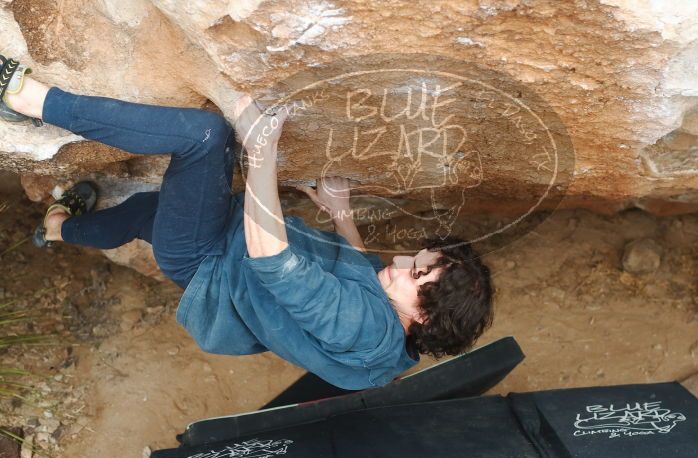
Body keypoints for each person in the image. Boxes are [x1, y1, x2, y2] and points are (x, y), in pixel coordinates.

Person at [0, 55, 495, 389]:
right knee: (141, 212)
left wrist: (261, 152)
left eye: (417, 272)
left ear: (425, 315)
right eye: (419, 258)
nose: (403, 260)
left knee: (205, 137)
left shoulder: (364, 329)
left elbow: (272, 260)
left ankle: (28, 100)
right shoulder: (394, 344)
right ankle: (56, 228)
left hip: (208, 259)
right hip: (222, 265)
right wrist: (341, 216)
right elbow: (360, 274)